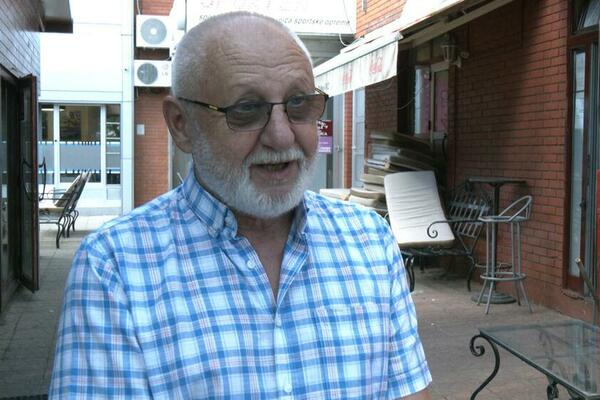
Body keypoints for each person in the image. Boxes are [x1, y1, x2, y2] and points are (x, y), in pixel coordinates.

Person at [49, 11, 432, 399]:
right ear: (181, 124)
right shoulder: (115, 265)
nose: (281, 137)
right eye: (246, 109)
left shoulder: (368, 241)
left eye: (299, 103)